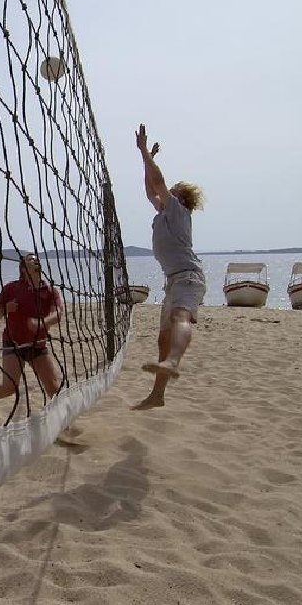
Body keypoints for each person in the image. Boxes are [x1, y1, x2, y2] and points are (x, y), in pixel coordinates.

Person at [131, 123, 206, 411]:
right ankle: (157, 394)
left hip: (189, 277)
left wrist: (145, 154)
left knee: (179, 319)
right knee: (163, 337)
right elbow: (151, 188)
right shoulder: (164, 211)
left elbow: (158, 183)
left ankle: (173, 362)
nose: (166, 192)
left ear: (180, 197)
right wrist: (145, 157)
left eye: (172, 190)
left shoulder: (178, 209)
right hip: (174, 281)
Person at [0, 252, 65, 425]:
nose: (35, 260)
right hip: (13, 344)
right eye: (30, 259)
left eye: (36, 259)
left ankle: (64, 426)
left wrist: (42, 323)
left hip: (37, 345)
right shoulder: (11, 288)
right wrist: (5, 309)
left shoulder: (50, 290)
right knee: (9, 388)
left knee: (54, 388)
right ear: (23, 268)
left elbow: (58, 313)